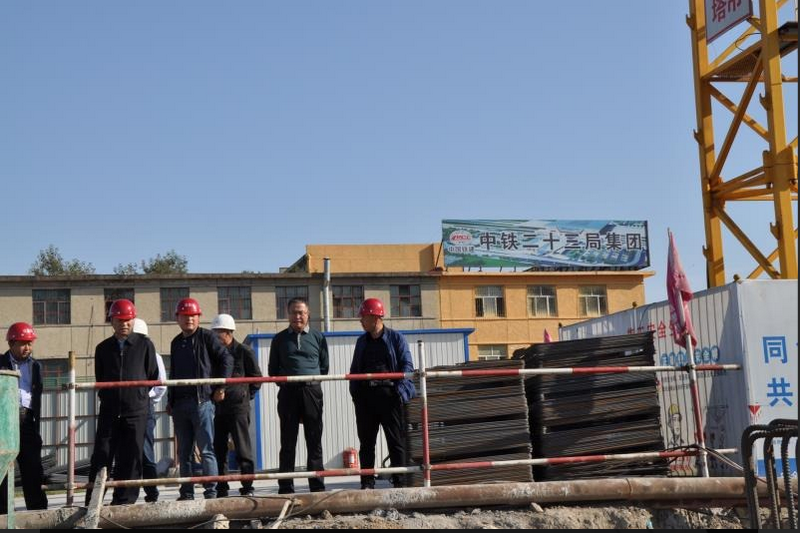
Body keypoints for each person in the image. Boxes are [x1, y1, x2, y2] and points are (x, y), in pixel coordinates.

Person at [86, 300, 160, 505]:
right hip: (109, 411)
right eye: (119, 320)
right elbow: (101, 378)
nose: (124, 324)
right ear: (112, 321)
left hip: (136, 412)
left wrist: (136, 397)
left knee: (131, 457)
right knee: (102, 455)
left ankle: (124, 501)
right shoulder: (103, 348)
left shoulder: (145, 345)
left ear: (133, 320)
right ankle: (93, 501)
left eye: (128, 320)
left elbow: (152, 375)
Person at [168, 298, 233, 500]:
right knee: (184, 452)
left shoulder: (207, 337)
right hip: (180, 405)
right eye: (185, 316)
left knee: (206, 450)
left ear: (198, 317)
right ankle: (186, 493)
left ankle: (211, 492)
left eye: (193, 316)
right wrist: (171, 400)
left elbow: (227, 359)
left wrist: (220, 386)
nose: (189, 319)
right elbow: (173, 373)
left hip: (201, 402)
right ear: (177, 318)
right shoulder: (176, 342)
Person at [349, 298, 416, 489]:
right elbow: (354, 370)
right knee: (366, 443)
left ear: (375, 317)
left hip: (390, 396)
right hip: (366, 398)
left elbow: (407, 366)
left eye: (363, 317)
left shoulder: (396, 338)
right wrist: (356, 395)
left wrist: (399, 393)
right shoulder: (361, 342)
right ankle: (367, 483)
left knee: (396, 442)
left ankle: (400, 484)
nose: (361, 321)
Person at [268, 298, 329, 494]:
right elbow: (272, 370)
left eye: (301, 312)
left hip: (312, 391)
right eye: (294, 312)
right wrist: (288, 384)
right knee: (288, 442)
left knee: (314, 440)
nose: (298, 316)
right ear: (288, 315)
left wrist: (310, 382)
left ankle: (317, 486)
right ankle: (286, 487)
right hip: (288, 393)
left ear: (308, 314)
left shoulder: (318, 337)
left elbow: (324, 367)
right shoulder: (279, 339)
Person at [210, 314, 262, 497]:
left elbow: (256, 379)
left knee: (243, 449)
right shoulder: (214, 354)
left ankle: (247, 487)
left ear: (229, 332)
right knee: (219, 449)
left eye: (218, 332)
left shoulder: (244, 351)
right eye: (214, 333)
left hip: (239, 408)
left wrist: (244, 396)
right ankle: (222, 487)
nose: (215, 336)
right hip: (219, 408)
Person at [0, 322, 48, 514]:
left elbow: (36, 396)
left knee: (33, 469)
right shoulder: (0, 362)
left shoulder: (36, 366)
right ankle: (3, 514)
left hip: (27, 421)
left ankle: (38, 512)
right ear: (11, 343)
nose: (27, 347)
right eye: (22, 343)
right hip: (3, 422)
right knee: (3, 469)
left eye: (30, 343)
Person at [132, 318, 167, 503]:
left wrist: (145, 398)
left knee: (146, 452)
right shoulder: (126, 355)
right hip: (128, 409)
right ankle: (127, 494)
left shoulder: (154, 355)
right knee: (129, 453)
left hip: (145, 408)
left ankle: (152, 493)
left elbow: (160, 386)